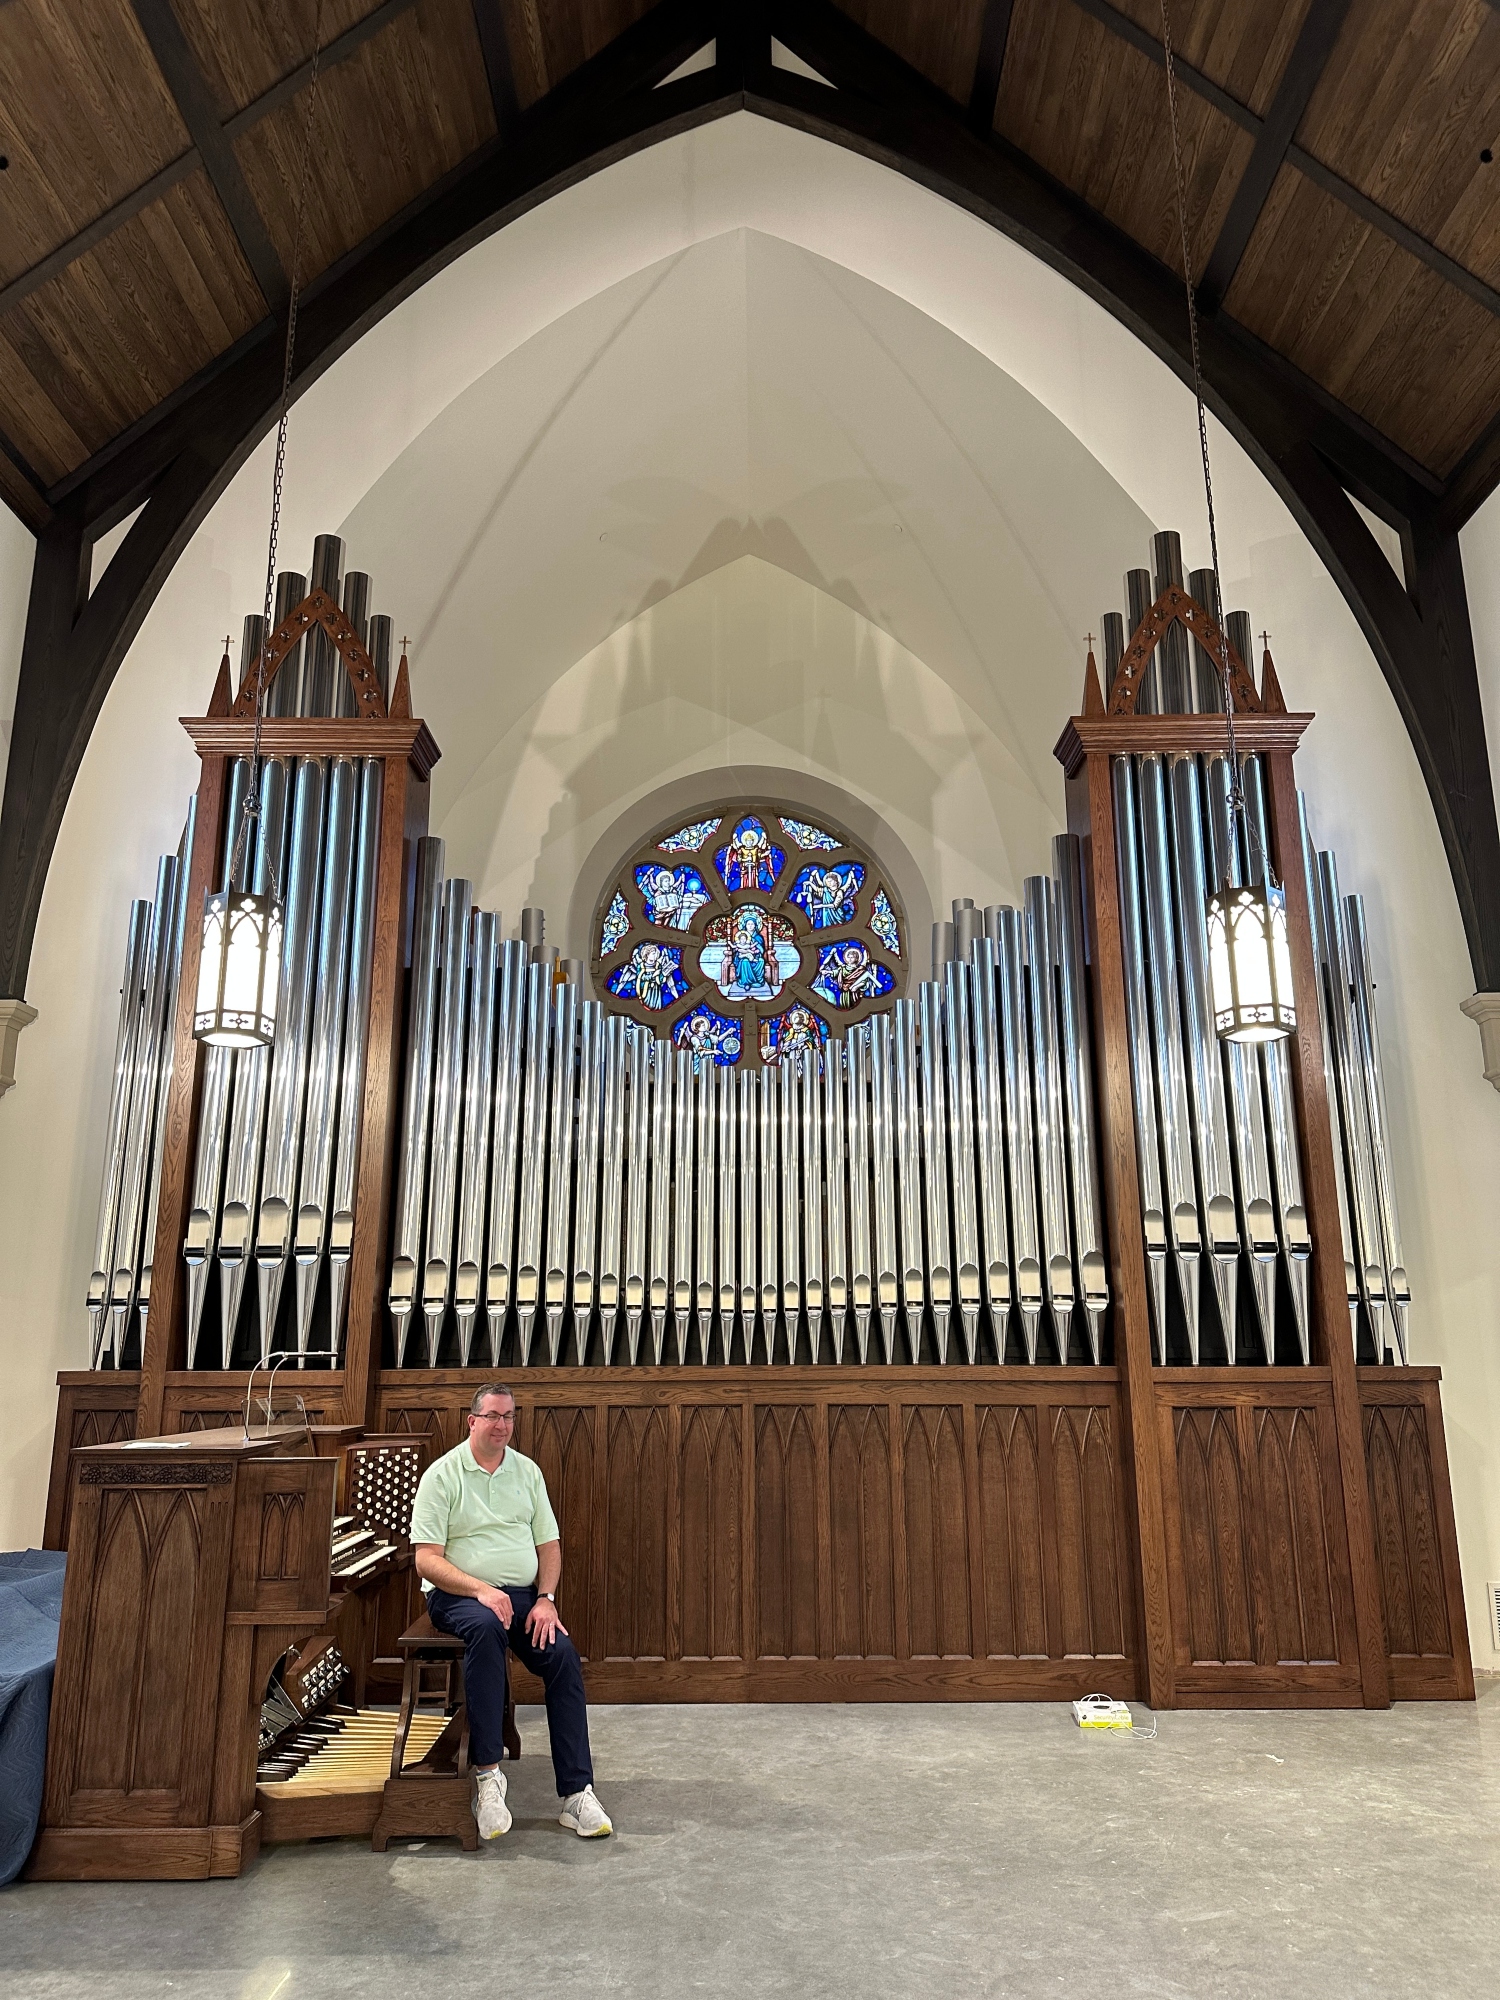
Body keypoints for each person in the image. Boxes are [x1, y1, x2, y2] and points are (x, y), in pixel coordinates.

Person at [409, 1383, 612, 1841]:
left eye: (509, 1417)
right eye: (494, 1416)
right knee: (484, 1629)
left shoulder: (527, 1472)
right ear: (472, 1420)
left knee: (561, 1654)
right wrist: (481, 1590)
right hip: (459, 1596)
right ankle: (488, 1776)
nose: (502, 1426)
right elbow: (426, 1559)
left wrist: (546, 1599)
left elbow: (549, 1545)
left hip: (523, 1596)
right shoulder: (442, 1476)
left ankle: (577, 1792)